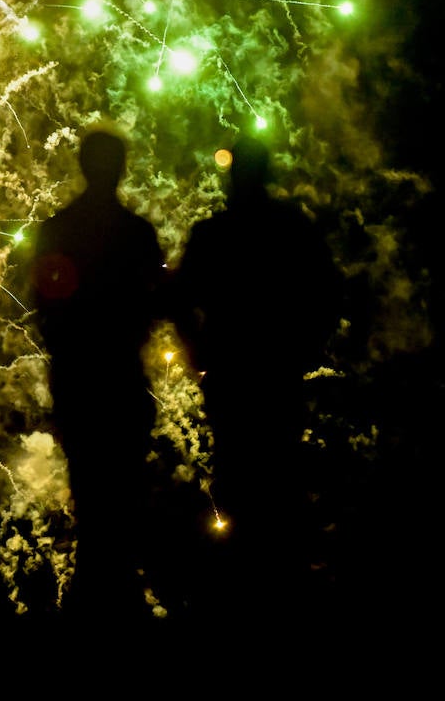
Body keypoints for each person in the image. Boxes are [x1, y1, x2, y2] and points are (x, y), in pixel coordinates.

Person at [169, 134, 344, 618]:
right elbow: (329, 291)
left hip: (235, 375)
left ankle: (243, 597)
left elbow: (178, 301)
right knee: (279, 480)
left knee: (239, 481)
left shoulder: (213, 235)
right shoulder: (290, 229)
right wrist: (304, 348)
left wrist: (196, 354)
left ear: (232, 173)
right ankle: (281, 594)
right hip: (275, 374)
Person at [30, 126, 167, 623]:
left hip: (80, 376)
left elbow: (44, 306)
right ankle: (119, 598)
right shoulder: (137, 234)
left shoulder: (58, 229)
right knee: (123, 488)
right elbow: (159, 299)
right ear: (120, 167)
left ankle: (93, 599)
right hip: (119, 374)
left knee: (89, 487)